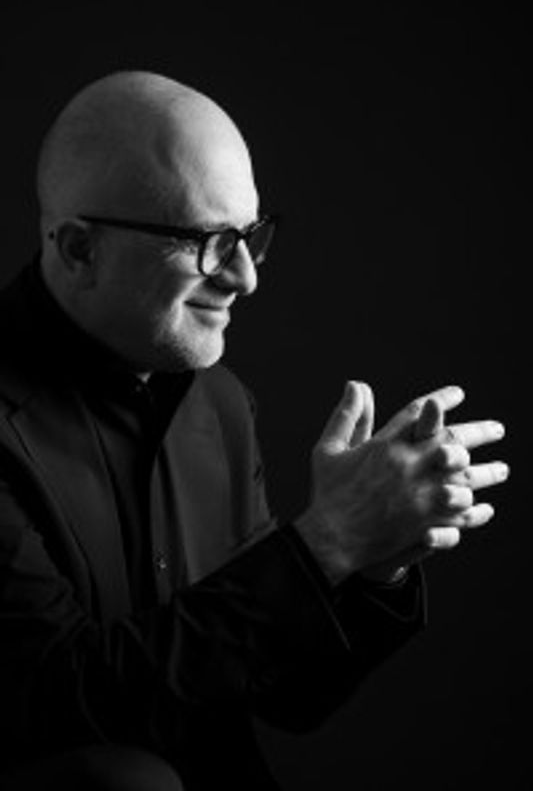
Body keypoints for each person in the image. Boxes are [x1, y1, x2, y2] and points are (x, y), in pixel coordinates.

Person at [0, 70, 508, 790]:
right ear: (82, 250)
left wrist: (369, 562)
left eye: (250, 236)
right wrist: (325, 542)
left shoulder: (221, 406)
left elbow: (285, 697)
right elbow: (57, 701)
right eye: (208, 241)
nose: (245, 277)